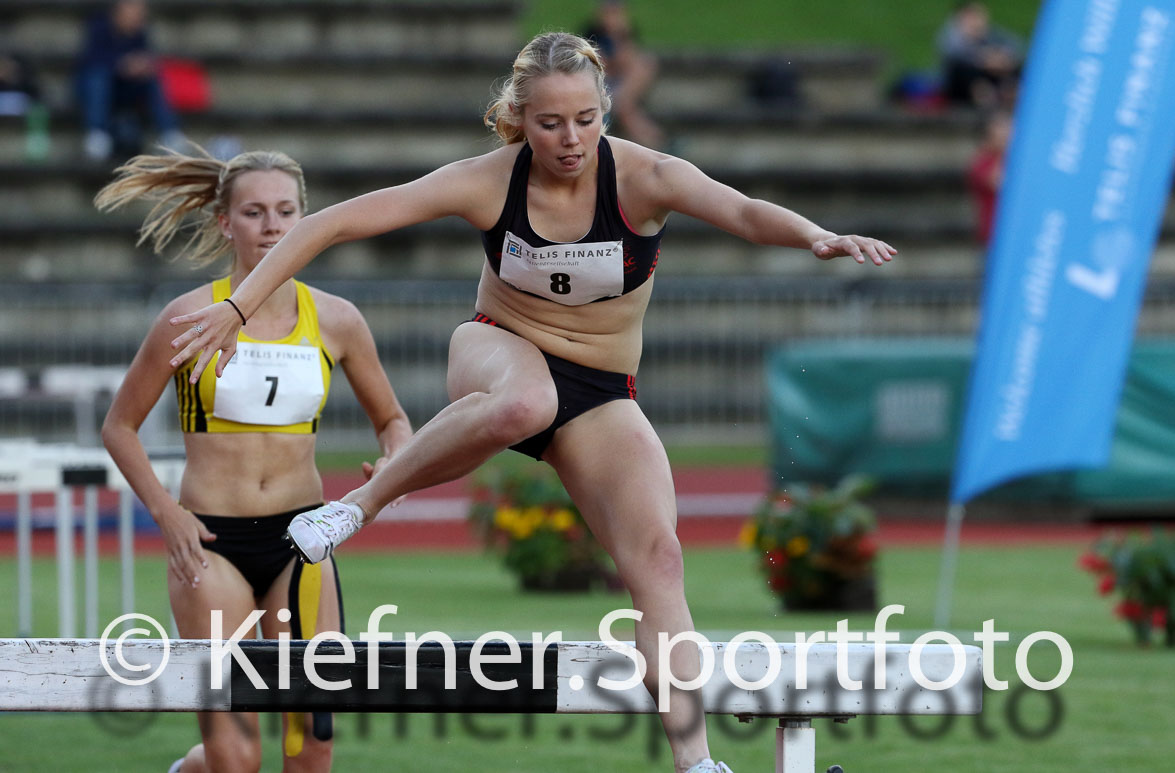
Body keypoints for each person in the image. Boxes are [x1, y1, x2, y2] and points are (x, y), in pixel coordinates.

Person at [169, 32, 895, 773]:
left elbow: (740, 212)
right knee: (524, 400)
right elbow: (332, 223)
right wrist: (238, 308)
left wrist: (816, 236)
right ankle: (357, 507)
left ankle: (696, 763)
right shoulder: (489, 180)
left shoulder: (643, 176)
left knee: (659, 557)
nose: (570, 139)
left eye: (585, 119)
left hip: (600, 389)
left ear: (605, 109)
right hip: (497, 348)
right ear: (520, 120)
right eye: (550, 124)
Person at [97, 147, 412, 773]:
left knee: (314, 739)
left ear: (305, 218)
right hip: (211, 541)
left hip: (303, 542)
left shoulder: (336, 320)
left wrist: (394, 459)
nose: (272, 226)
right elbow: (120, 426)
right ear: (225, 223)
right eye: (254, 212)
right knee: (237, 757)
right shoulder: (187, 316)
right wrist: (167, 514)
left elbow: (394, 420)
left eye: (287, 211)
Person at [77, 0, 185, 161]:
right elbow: (91, 61)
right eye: (134, 13)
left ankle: (170, 134)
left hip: (128, 88)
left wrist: (141, 66)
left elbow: (147, 57)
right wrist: (122, 65)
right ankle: (97, 135)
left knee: (152, 77)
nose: (138, 18)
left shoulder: (140, 34)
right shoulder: (99, 28)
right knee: (98, 77)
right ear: (119, 12)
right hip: (99, 88)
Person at [584, 0, 665, 149]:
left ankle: (657, 144)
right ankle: (658, 144)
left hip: (620, 85)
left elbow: (627, 60)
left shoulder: (625, 34)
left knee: (644, 64)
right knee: (625, 109)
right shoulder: (592, 33)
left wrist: (619, 35)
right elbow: (601, 65)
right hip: (602, 85)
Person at [936, 1, 1023, 109]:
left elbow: (1015, 46)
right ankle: (986, 100)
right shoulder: (951, 35)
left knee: (1017, 68)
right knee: (964, 70)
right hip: (962, 83)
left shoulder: (990, 33)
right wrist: (983, 59)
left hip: (993, 74)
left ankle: (1010, 95)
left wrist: (1002, 59)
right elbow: (955, 55)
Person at [967, 109, 1012, 245]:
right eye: (1002, 130)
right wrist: (1003, 152)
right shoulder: (981, 162)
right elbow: (997, 183)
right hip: (994, 235)